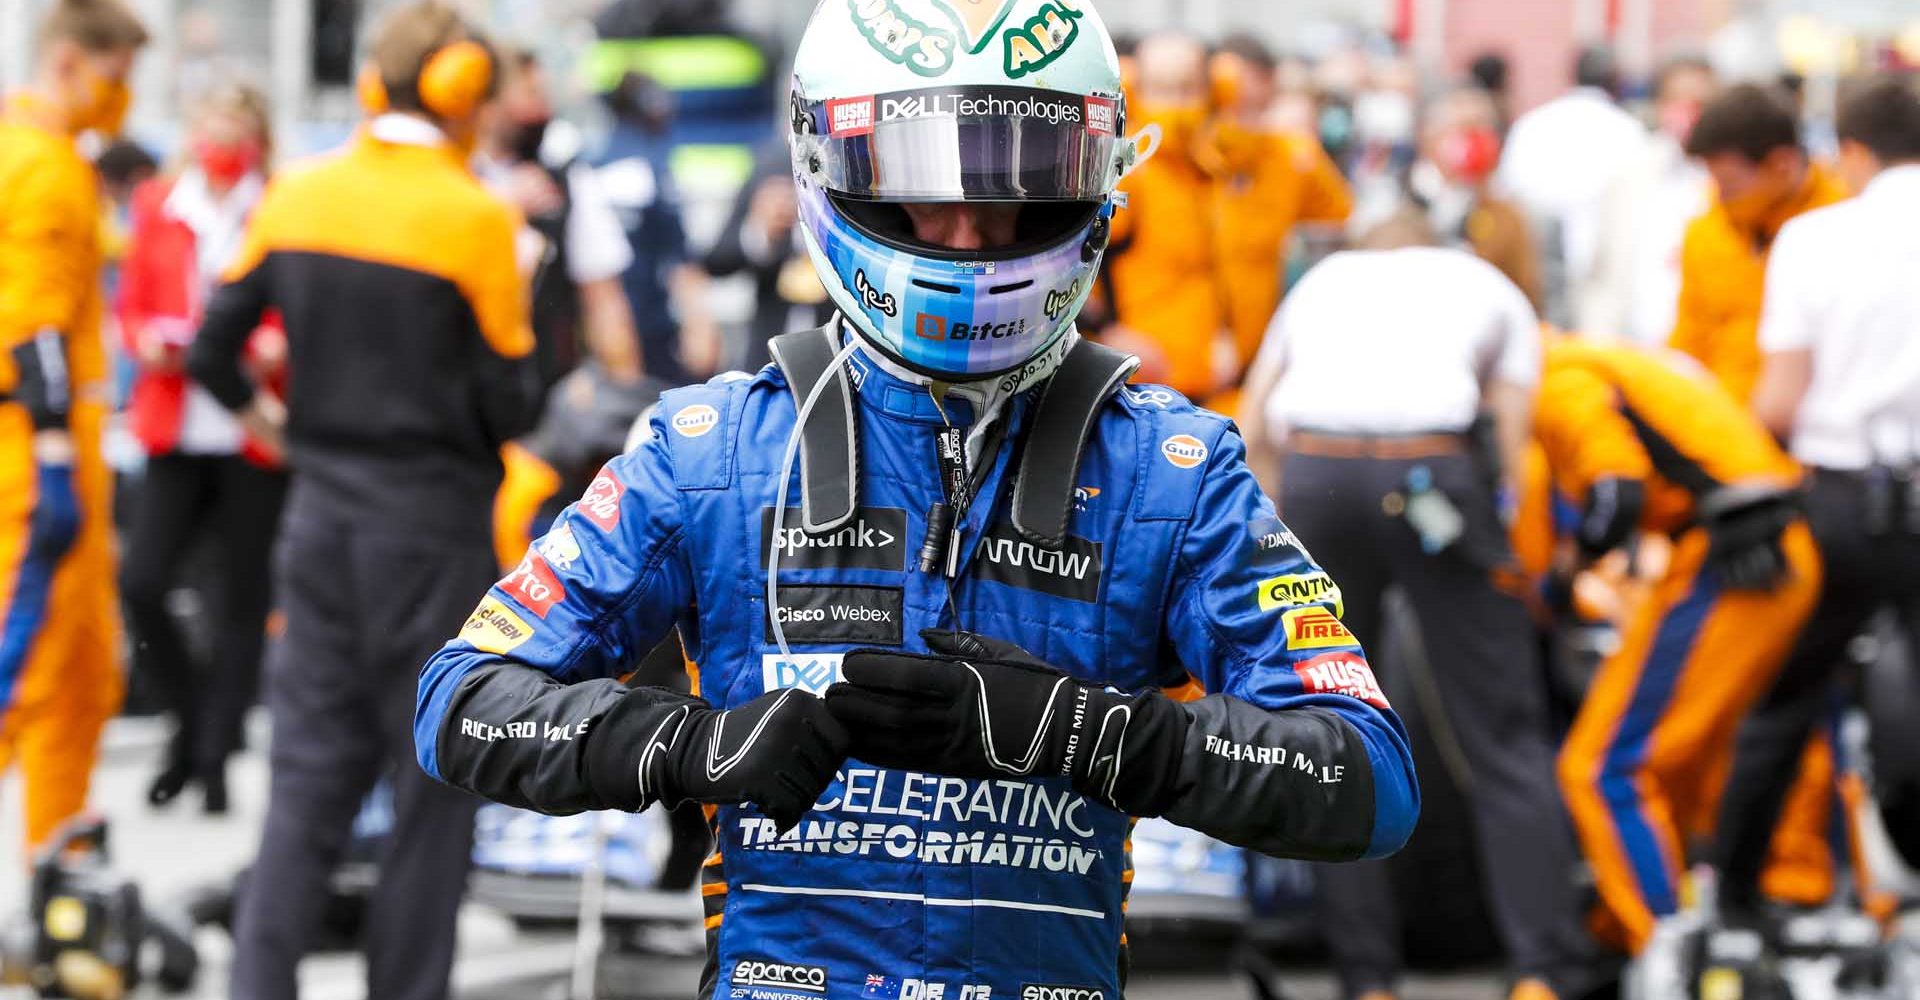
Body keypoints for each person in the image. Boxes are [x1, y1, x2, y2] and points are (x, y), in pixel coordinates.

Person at [415, 4, 1420, 1000]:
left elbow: (1369, 780)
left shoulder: (1173, 467)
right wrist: (685, 746)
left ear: (1100, 175)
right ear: (827, 169)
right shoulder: (707, 450)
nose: (971, 230)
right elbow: (461, 701)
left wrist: (1090, 734)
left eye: (1019, 182)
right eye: (916, 185)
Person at [185, 5, 537, 998]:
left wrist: (278, 430)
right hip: (429, 533)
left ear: (376, 89)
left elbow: (213, 351)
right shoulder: (475, 217)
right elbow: (512, 402)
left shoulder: (298, 194)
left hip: (320, 516)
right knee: (431, 785)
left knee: (303, 786)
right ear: (463, 87)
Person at [1240, 214, 1589, 1000]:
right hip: (1432, 471)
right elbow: (1513, 445)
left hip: (1318, 473)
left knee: (1336, 723)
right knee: (1502, 732)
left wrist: (1276, 536)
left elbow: (1257, 418)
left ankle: (1368, 981)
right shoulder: (1489, 286)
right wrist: (1496, 552)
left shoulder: (1323, 283)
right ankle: (1542, 972)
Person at [1540, 334, 1827, 994]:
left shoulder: (1558, 375)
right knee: (1697, 765)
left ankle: (1669, 949)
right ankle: (1646, 933)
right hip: (1778, 547)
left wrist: (1567, 573)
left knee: (1603, 767)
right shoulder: (1609, 358)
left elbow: (1616, 497)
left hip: (1735, 556)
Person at [1713, 74, 1920, 933]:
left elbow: (1779, 402)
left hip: (1836, 502)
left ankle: (1736, 896)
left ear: (1855, 151)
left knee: (1785, 699)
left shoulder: (1813, 238)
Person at [117, 81, 288, 815]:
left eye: (236, 125)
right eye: (211, 123)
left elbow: (290, 299)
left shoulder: (277, 202)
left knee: (242, 599)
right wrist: (148, 341)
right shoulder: (160, 203)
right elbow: (132, 305)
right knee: (142, 581)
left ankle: (216, 756)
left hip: (250, 426)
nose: (222, 140)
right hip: (176, 419)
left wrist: (275, 342)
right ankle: (187, 727)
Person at [0, 0, 147, 854]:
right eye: (116, 76)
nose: (117, 98)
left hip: (56, 446)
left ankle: (61, 875)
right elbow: (33, 324)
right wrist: (55, 461)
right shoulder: (45, 163)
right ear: (70, 60)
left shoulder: (36, 153)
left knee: (82, 678)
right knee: (26, 671)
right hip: (36, 452)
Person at [1667, 83, 1847, 404]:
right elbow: (1688, 341)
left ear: (1782, 164)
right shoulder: (1708, 229)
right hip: (1719, 424)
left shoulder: (1841, 227)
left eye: (1731, 186)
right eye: (1715, 182)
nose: (1720, 199)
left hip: (1808, 429)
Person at [477, 47, 643, 391]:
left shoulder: (566, 183)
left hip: (547, 398)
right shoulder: (454, 179)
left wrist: (628, 405)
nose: (543, 110)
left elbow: (605, 302)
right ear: (489, 103)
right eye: (530, 94)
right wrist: (503, 211)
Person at [1202, 34, 1353, 370]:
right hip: (1199, 338)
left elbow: (1341, 218)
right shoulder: (1194, 151)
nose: (1233, 89)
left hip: (1268, 338)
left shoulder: (1293, 155)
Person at [1093, 31, 1231, 397]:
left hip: (1206, 383)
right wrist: (1104, 330)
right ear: (1137, 91)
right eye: (1163, 88)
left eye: (1189, 88)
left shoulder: (1210, 167)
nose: (1178, 103)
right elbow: (1075, 255)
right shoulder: (1130, 170)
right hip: (1142, 389)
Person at [1495, 46, 1648, 328]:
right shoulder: (1628, 131)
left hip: (1542, 267)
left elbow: (1506, 191)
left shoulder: (1532, 124)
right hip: (1595, 273)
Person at [595, 69, 721, 387]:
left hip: (598, 325)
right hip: (647, 325)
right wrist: (700, 324)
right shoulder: (650, 165)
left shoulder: (590, 162)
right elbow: (680, 256)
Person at [1586, 56, 1716, 345]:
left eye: (1699, 102)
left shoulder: (1733, 182)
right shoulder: (1629, 175)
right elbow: (1603, 271)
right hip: (1635, 349)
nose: (1688, 113)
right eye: (1677, 101)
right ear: (1659, 106)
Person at [702, 139, 835, 373]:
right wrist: (762, 231)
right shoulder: (773, 165)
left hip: (838, 353)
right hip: (768, 352)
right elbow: (716, 260)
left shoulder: (851, 163)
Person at [1409, 86, 1541, 305]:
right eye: (1465, 128)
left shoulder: (1506, 217)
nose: (1477, 139)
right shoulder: (1405, 203)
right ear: (1428, 136)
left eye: (1484, 128)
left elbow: (1526, 294)